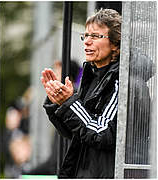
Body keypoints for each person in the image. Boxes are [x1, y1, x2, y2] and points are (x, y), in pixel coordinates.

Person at [41, 9, 121, 178]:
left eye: (95, 36)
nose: (87, 42)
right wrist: (59, 102)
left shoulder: (121, 80)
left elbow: (101, 133)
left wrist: (69, 103)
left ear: (115, 43)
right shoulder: (93, 76)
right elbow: (76, 133)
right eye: (85, 36)